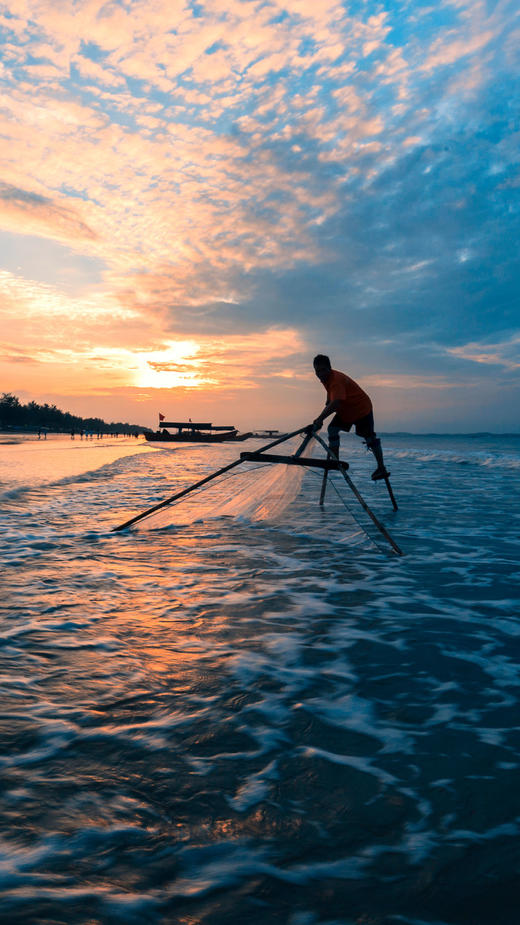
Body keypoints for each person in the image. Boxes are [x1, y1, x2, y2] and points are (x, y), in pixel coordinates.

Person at [312, 354, 389, 481]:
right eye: (317, 371)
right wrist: (325, 408)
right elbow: (330, 397)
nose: (319, 374)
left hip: (360, 408)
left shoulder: (336, 379)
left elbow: (335, 402)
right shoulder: (326, 379)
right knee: (332, 429)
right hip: (346, 410)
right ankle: (335, 459)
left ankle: (381, 467)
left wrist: (320, 419)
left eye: (322, 370)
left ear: (329, 368)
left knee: (369, 437)